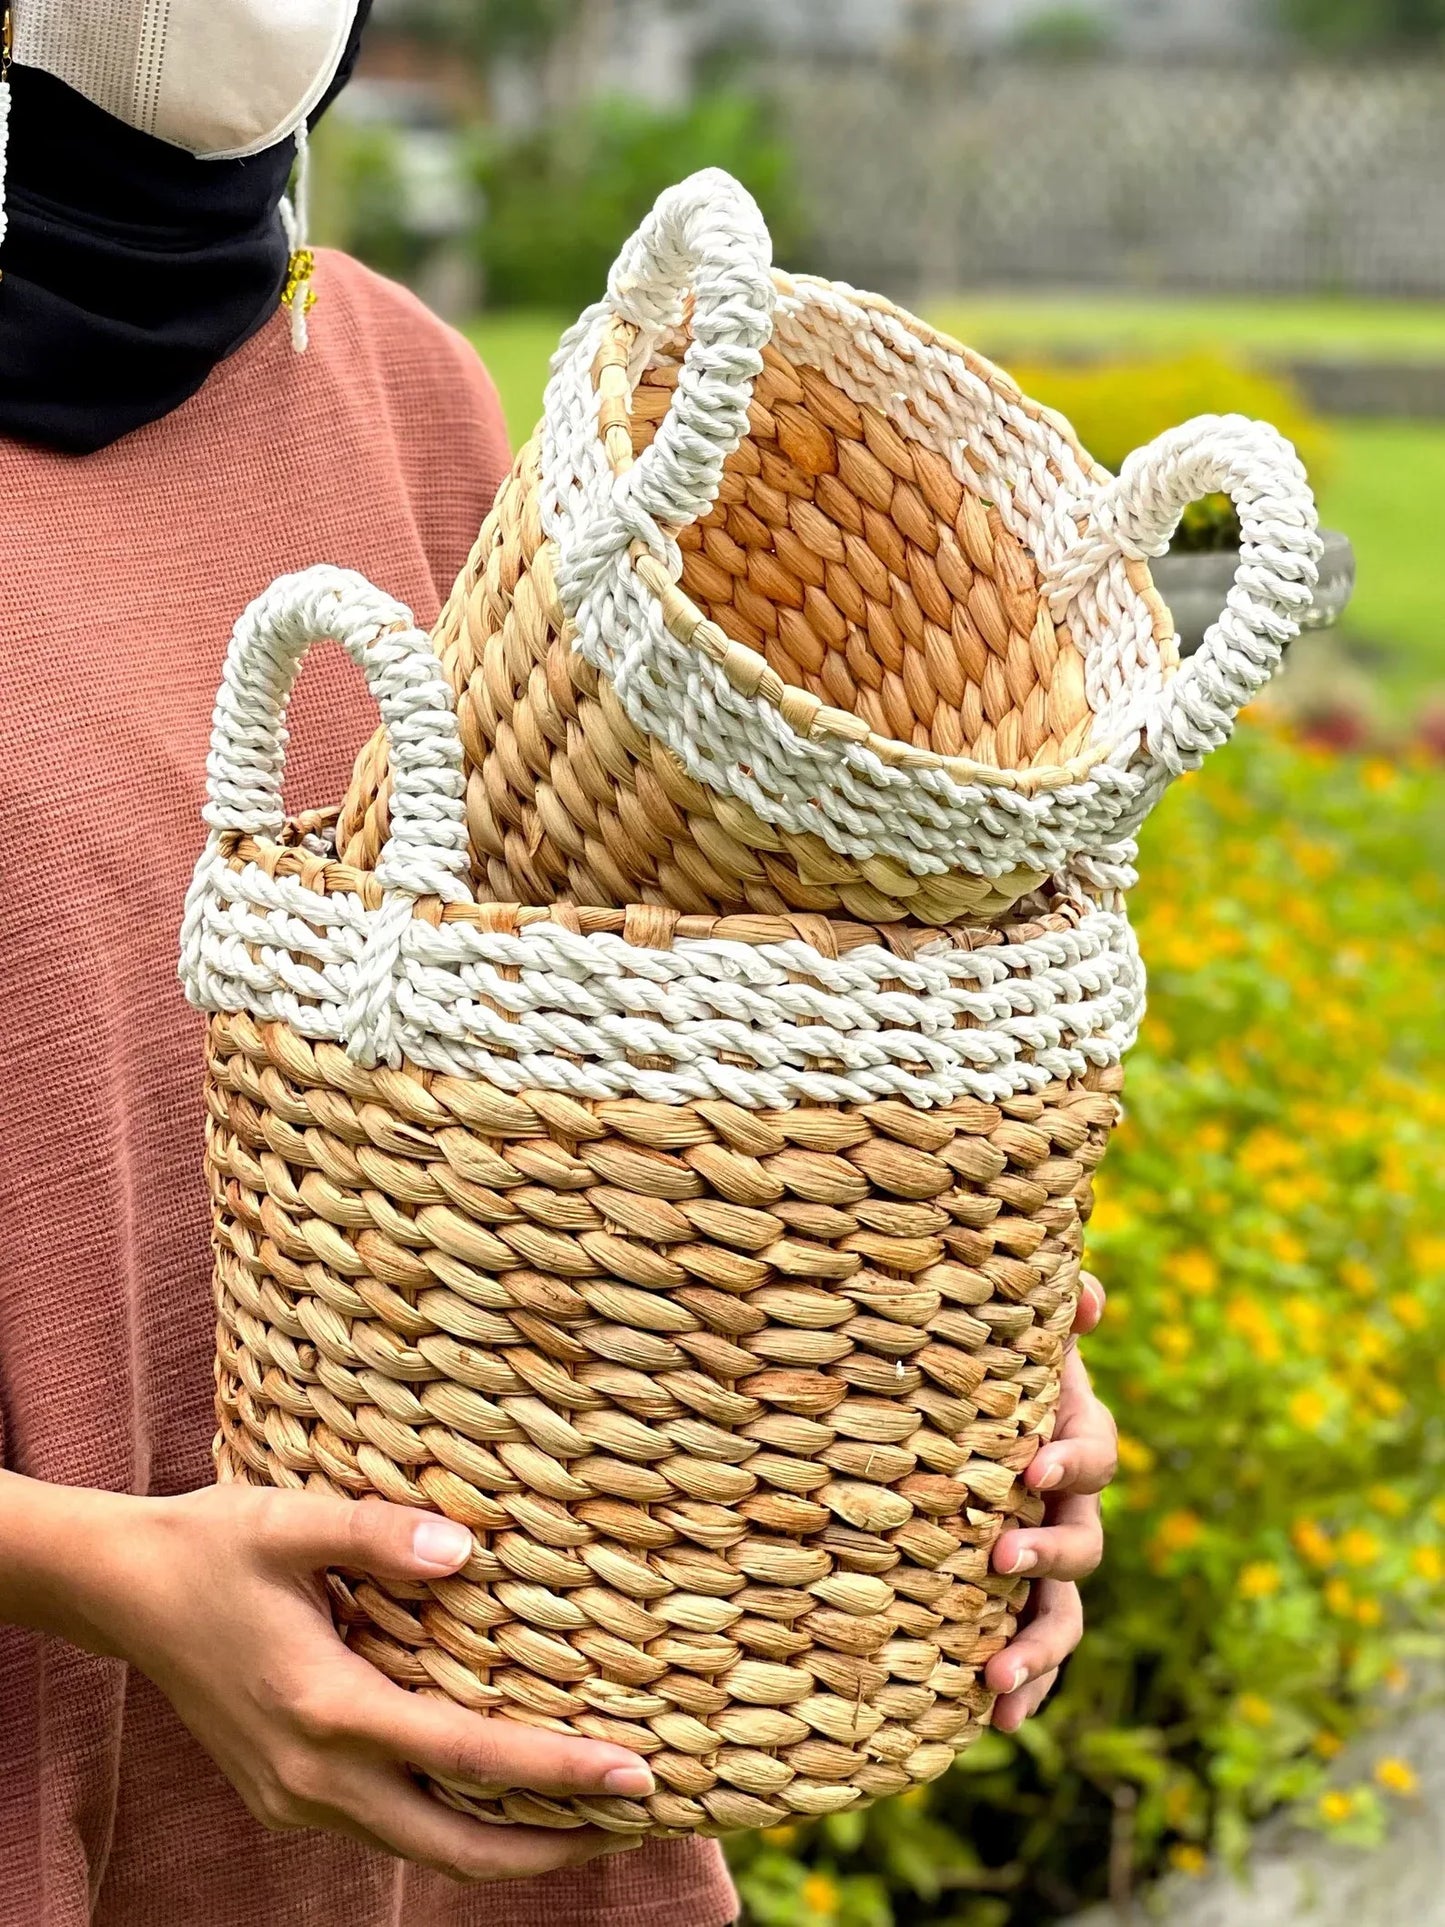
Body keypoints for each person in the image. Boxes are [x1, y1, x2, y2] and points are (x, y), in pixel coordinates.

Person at [0, 5, 1119, 1924]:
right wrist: (94, 1570)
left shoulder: (398, 392)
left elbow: (631, 1088)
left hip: (457, 1820)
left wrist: (931, 1374)